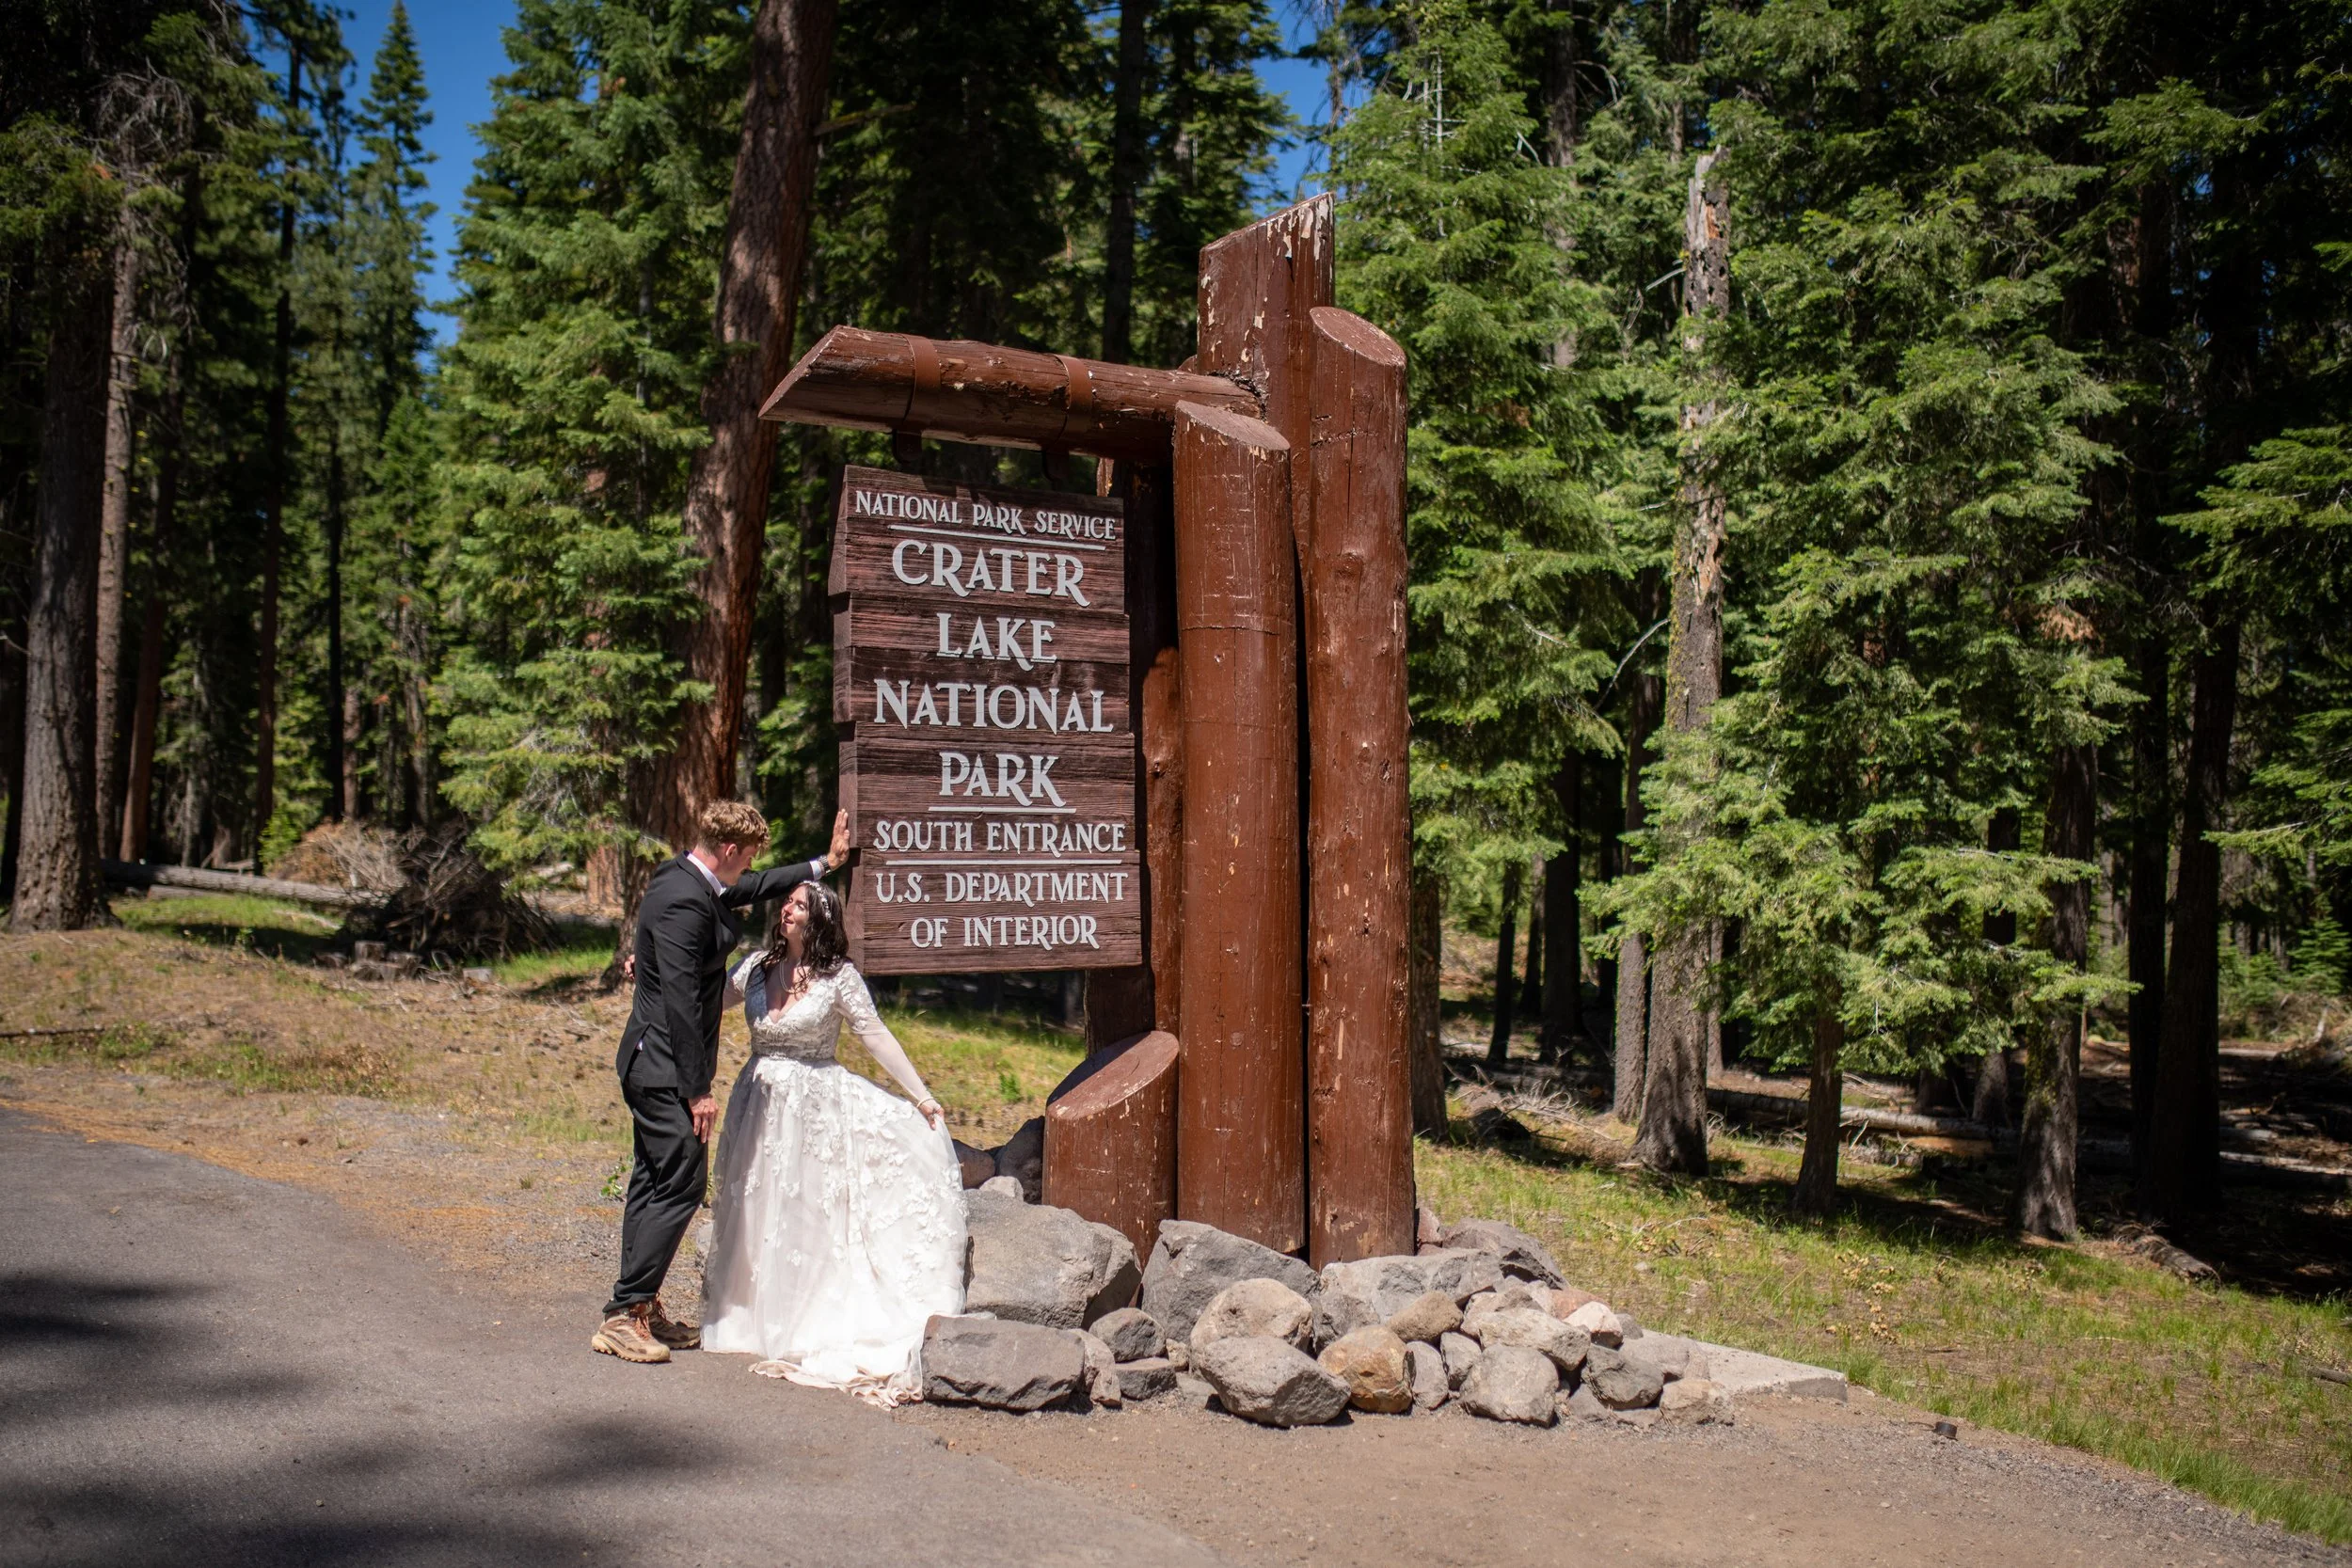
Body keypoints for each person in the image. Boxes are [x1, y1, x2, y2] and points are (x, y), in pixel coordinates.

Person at [591, 800, 850, 1365]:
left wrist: (823, 865)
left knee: (653, 1178)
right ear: (729, 850)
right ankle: (624, 1312)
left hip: (648, 1061)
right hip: (664, 1066)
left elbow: (747, 888)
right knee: (681, 1184)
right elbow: (683, 1004)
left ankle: (642, 1303)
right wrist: (698, 1089)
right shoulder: (687, 900)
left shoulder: (680, 876)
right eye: (750, 855)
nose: (753, 867)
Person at [699, 878, 965, 1404]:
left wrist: (921, 1096)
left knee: (804, 1210)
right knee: (753, 1207)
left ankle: (803, 1318)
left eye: (799, 904)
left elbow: (875, 1034)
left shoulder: (838, 977)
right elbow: (703, 997)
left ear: (819, 917)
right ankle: (748, 1314)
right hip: (756, 1102)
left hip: (813, 1108)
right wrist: (652, 970)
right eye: (788, 903)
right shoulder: (755, 967)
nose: (788, 910)